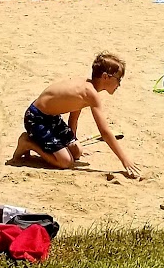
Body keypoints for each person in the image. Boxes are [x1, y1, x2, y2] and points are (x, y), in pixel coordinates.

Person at [9, 54, 142, 177]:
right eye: (118, 79)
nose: (119, 84)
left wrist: (71, 141)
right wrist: (124, 159)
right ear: (105, 77)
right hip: (36, 119)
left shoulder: (88, 87)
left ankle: (49, 146)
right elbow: (105, 132)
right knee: (65, 162)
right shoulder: (89, 93)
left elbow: (74, 114)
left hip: (51, 118)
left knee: (76, 152)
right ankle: (27, 143)